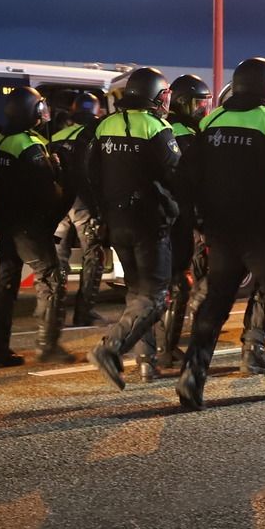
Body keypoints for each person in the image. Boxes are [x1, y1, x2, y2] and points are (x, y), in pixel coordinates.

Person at [175, 57, 265, 410]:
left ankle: (192, 376)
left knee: (215, 302)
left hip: (220, 231)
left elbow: (187, 176)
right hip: (262, 229)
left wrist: (201, 218)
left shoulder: (212, 120)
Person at [84, 67, 179, 387]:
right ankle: (110, 348)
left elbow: (90, 173)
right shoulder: (156, 127)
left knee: (137, 295)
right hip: (149, 223)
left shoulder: (103, 126)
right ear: (155, 95)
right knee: (155, 296)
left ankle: (145, 365)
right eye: (165, 95)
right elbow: (176, 176)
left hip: (116, 222)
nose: (168, 101)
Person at [0, 86, 70, 365]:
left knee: (5, 286)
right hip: (29, 227)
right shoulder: (30, 145)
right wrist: (57, 169)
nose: (43, 112)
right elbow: (47, 188)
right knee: (51, 279)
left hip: (5, 225)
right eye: (39, 107)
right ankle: (48, 346)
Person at [159, 74, 213, 370]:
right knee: (180, 281)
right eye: (199, 104)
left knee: (170, 281)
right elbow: (197, 178)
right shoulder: (185, 134)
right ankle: (167, 348)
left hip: (167, 213)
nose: (203, 110)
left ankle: (163, 347)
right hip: (183, 215)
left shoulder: (167, 128)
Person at [50, 90, 107, 326]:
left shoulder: (56, 135)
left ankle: (54, 310)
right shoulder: (95, 133)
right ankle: (84, 312)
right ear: (95, 112)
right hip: (83, 202)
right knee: (93, 255)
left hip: (58, 202)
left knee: (58, 259)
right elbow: (95, 172)